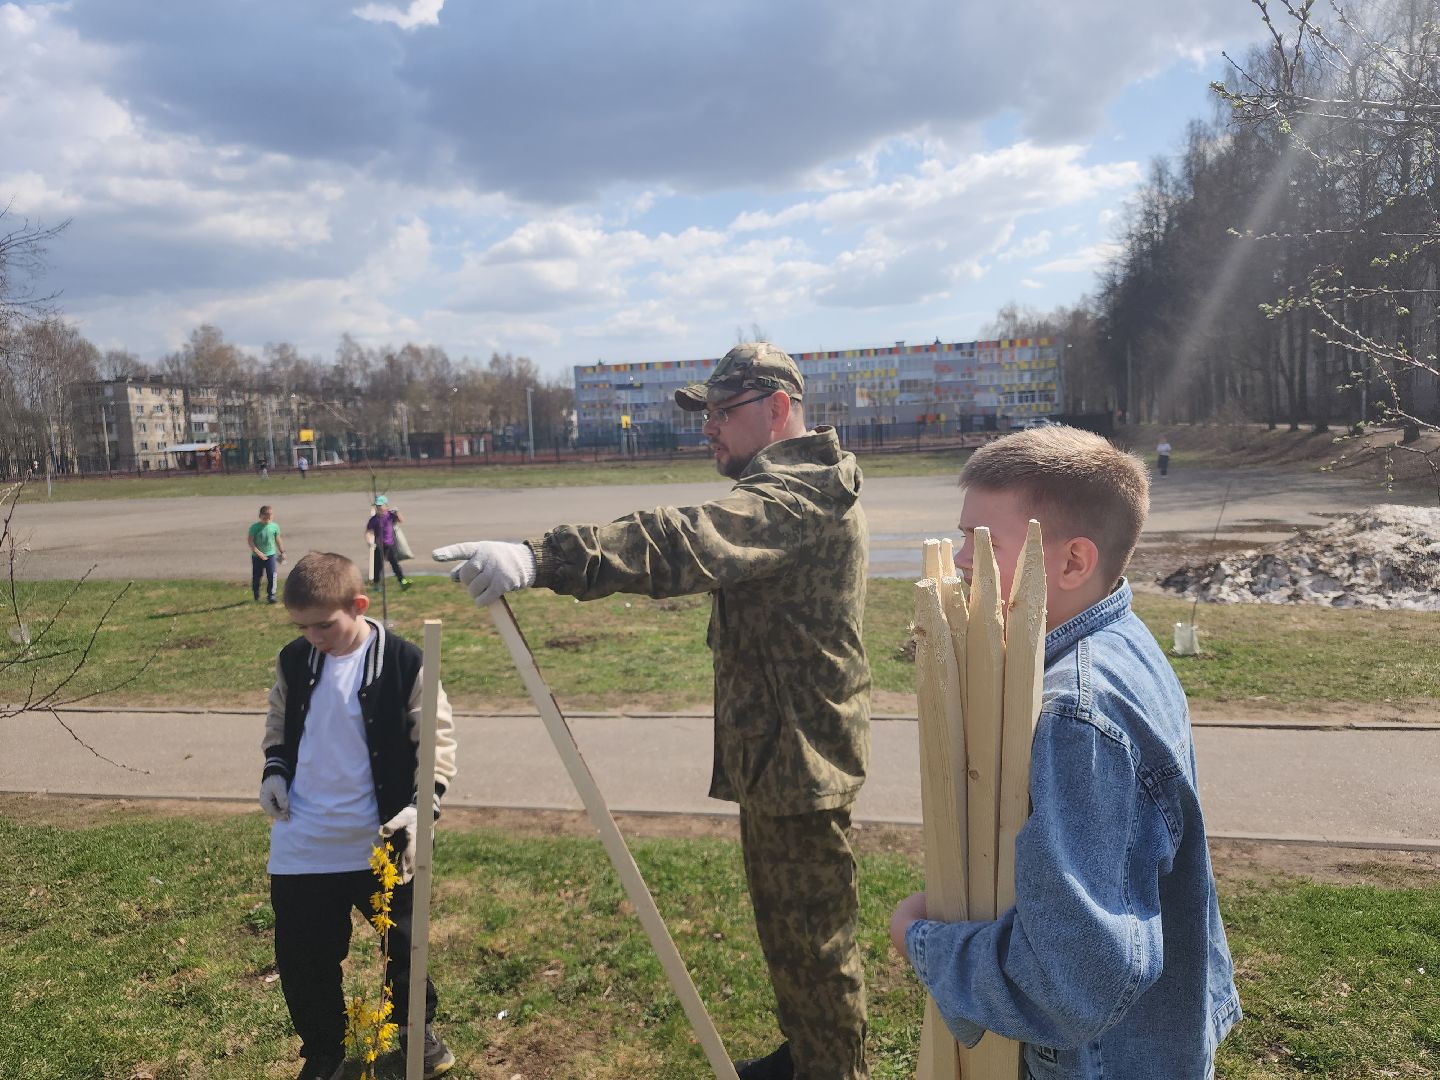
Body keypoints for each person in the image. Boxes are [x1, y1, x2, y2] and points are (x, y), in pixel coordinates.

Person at [433, 342, 872, 1080]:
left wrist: (547, 558)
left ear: (776, 409)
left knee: (816, 945)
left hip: (802, 761)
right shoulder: (787, 487)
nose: (709, 428)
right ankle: (809, 1056)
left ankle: (835, 1071)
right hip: (777, 756)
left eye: (722, 413)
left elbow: (689, 541)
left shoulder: (800, 495)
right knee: (790, 939)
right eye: (705, 415)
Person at [888, 426, 1240, 1079]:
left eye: (984, 542)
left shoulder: (1073, 714)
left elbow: (1072, 982)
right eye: (962, 536)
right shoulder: (1118, 635)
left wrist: (923, 939)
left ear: (1074, 562)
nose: (963, 560)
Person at [259, 551, 458, 1080]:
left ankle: (419, 1039)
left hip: (382, 841)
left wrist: (422, 809)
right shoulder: (293, 660)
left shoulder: (406, 662)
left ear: (359, 606)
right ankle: (324, 1053)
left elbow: (435, 743)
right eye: (301, 626)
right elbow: (278, 721)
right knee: (304, 959)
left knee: (404, 950)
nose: (313, 636)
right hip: (303, 843)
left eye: (323, 625)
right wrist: (274, 772)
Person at [365, 495, 410, 590]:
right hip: (379, 546)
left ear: (386, 506)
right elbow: (368, 531)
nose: (379, 508)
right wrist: (369, 541)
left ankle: (403, 581)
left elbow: (401, 520)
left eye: (380, 506)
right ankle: (376, 585)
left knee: (395, 565)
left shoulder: (390, 515)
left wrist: (397, 512)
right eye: (377, 506)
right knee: (377, 567)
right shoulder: (374, 519)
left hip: (390, 545)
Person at [248, 504, 285, 604]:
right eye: (265, 517)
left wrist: (282, 551)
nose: (268, 519)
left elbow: (278, 539)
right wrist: (258, 552)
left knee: (272, 575)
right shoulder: (254, 527)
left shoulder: (274, 526)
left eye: (270, 517)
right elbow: (250, 541)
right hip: (257, 557)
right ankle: (256, 594)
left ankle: (271, 595)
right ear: (260, 516)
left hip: (271, 555)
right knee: (257, 576)